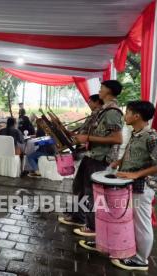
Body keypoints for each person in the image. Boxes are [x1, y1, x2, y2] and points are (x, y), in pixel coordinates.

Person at [80, 101, 157, 272]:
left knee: (141, 223)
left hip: (142, 187)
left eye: (128, 112)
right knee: (122, 219)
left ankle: (141, 260)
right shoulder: (136, 133)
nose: (125, 115)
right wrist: (120, 161)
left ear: (137, 116)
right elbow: (134, 152)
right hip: (129, 186)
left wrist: (136, 174)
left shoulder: (151, 136)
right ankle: (113, 245)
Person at [58, 80, 124, 237]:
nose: (99, 90)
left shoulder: (113, 112)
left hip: (100, 158)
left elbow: (117, 139)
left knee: (91, 193)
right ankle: (78, 217)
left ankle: (93, 227)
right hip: (91, 155)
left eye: (102, 88)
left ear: (109, 90)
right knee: (79, 187)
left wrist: (87, 137)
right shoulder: (104, 110)